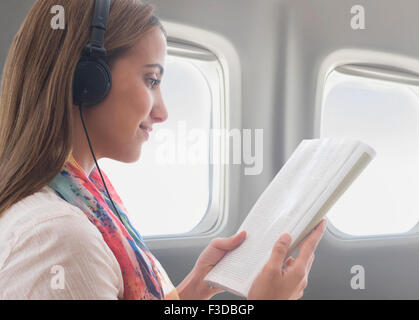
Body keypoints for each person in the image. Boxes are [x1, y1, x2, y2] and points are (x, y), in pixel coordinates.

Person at [0, 0, 326, 300]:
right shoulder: (60, 241)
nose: (163, 112)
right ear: (86, 80)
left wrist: (195, 287)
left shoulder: (83, 189)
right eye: (151, 80)